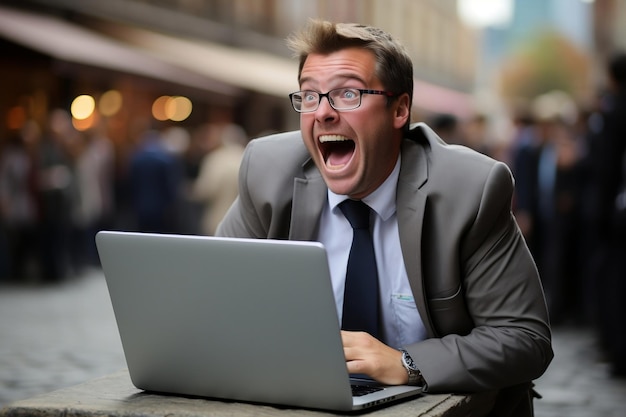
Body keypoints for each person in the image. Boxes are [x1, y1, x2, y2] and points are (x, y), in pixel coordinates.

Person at [216, 20, 553, 416]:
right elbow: (216, 305)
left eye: (347, 93)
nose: (322, 112)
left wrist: (407, 364)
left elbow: (523, 338)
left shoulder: (470, 188)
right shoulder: (267, 171)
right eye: (309, 95)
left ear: (400, 109)